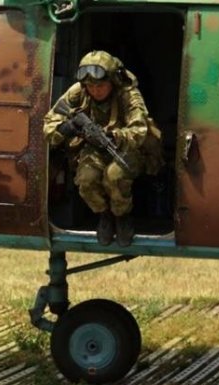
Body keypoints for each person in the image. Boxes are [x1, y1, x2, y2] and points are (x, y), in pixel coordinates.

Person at [44, 50, 162, 247]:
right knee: (86, 181)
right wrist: (67, 128)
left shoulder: (128, 94)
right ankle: (104, 215)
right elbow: (49, 123)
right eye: (90, 86)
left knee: (114, 176)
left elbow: (139, 129)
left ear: (113, 82)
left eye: (100, 85)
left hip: (126, 148)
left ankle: (122, 217)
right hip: (93, 148)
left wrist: (114, 136)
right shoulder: (78, 92)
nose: (95, 90)